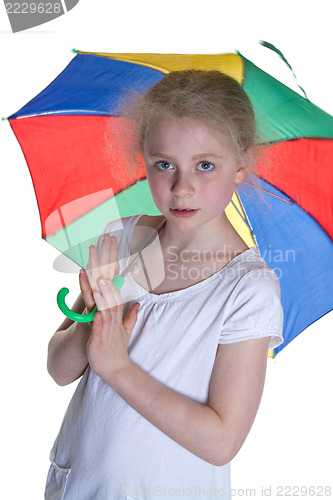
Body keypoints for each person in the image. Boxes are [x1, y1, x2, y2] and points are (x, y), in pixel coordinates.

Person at [45, 70, 284, 499]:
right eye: (165, 164)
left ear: (242, 165)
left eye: (205, 165)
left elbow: (221, 441)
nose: (182, 187)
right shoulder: (123, 239)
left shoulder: (248, 290)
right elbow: (58, 369)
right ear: (145, 158)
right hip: (79, 486)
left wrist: (118, 368)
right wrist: (93, 322)